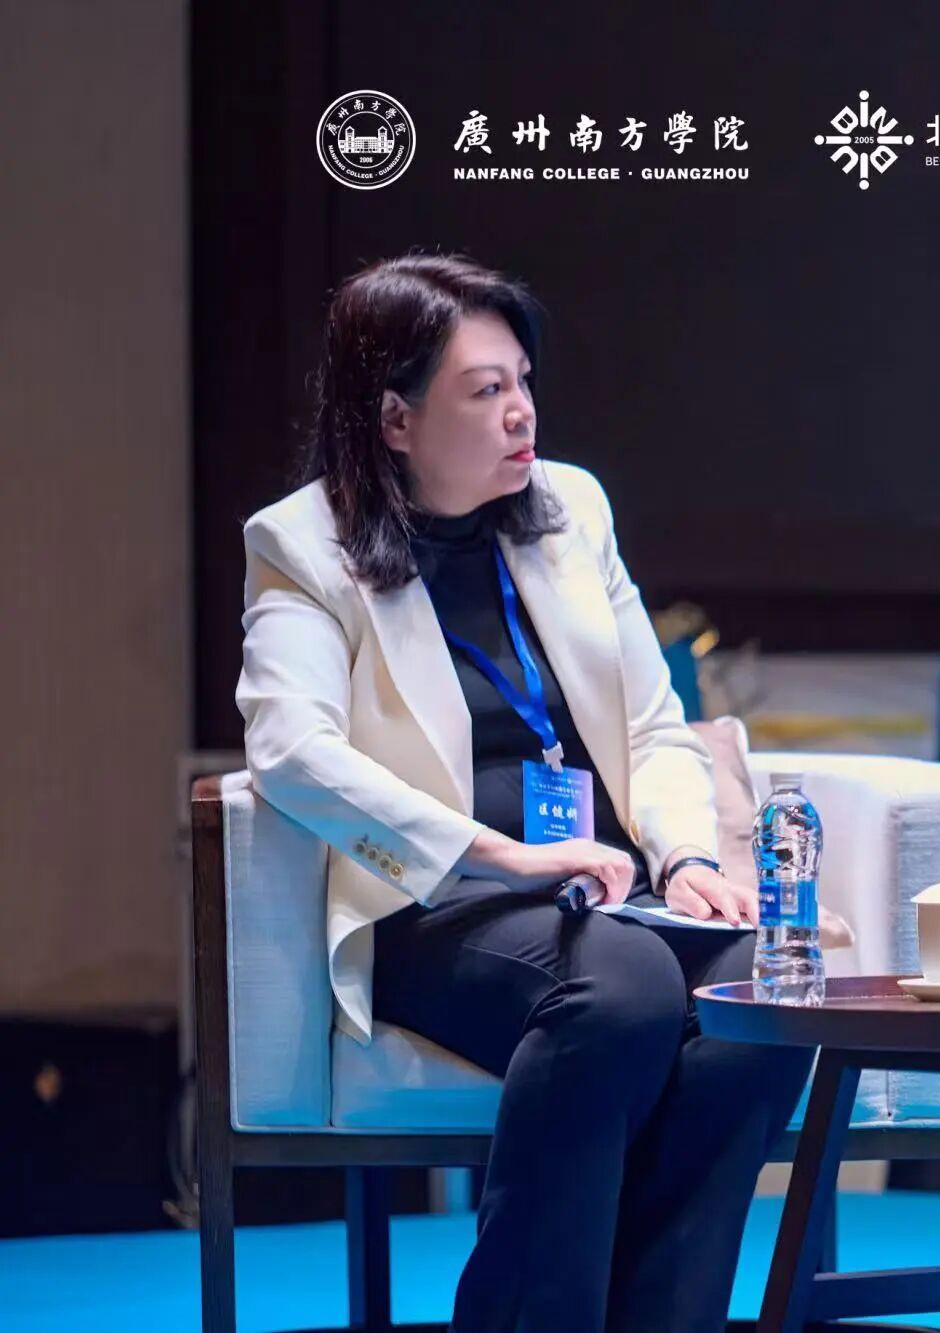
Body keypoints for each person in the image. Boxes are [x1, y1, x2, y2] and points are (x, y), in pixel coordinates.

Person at [236, 253, 811, 1332]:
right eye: (484, 389)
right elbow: (290, 748)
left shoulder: (570, 510)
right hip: (437, 902)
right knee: (624, 988)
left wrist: (687, 857)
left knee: (765, 989)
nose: (520, 412)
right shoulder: (303, 545)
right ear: (395, 419)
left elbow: (652, 724)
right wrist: (499, 853)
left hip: (604, 896)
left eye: (523, 382)